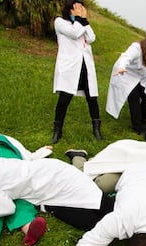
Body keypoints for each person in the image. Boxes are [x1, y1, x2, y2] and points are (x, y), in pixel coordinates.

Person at [52, 0, 102, 144]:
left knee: (92, 98)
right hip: (70, 66)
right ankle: (57, 130)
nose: (81, 10)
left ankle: (97, 129)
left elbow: (91, 38)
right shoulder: (60, 22)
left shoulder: (81, 23)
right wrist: (80, 20)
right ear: (70, 10)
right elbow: (74, 34)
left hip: (85, 64)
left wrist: (84, 20)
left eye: (82, 8)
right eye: (78, 8)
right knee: (65, 98)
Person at [0, 134, 52, 246]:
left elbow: (27, 155)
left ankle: (29, 227)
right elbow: (28, 155)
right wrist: (40, 153)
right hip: (7, 170)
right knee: (13, 197)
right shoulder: (7, 141)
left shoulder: (8, 141)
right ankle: (27, 225)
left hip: (13, 168)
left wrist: (41, 151)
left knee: (17, 197)